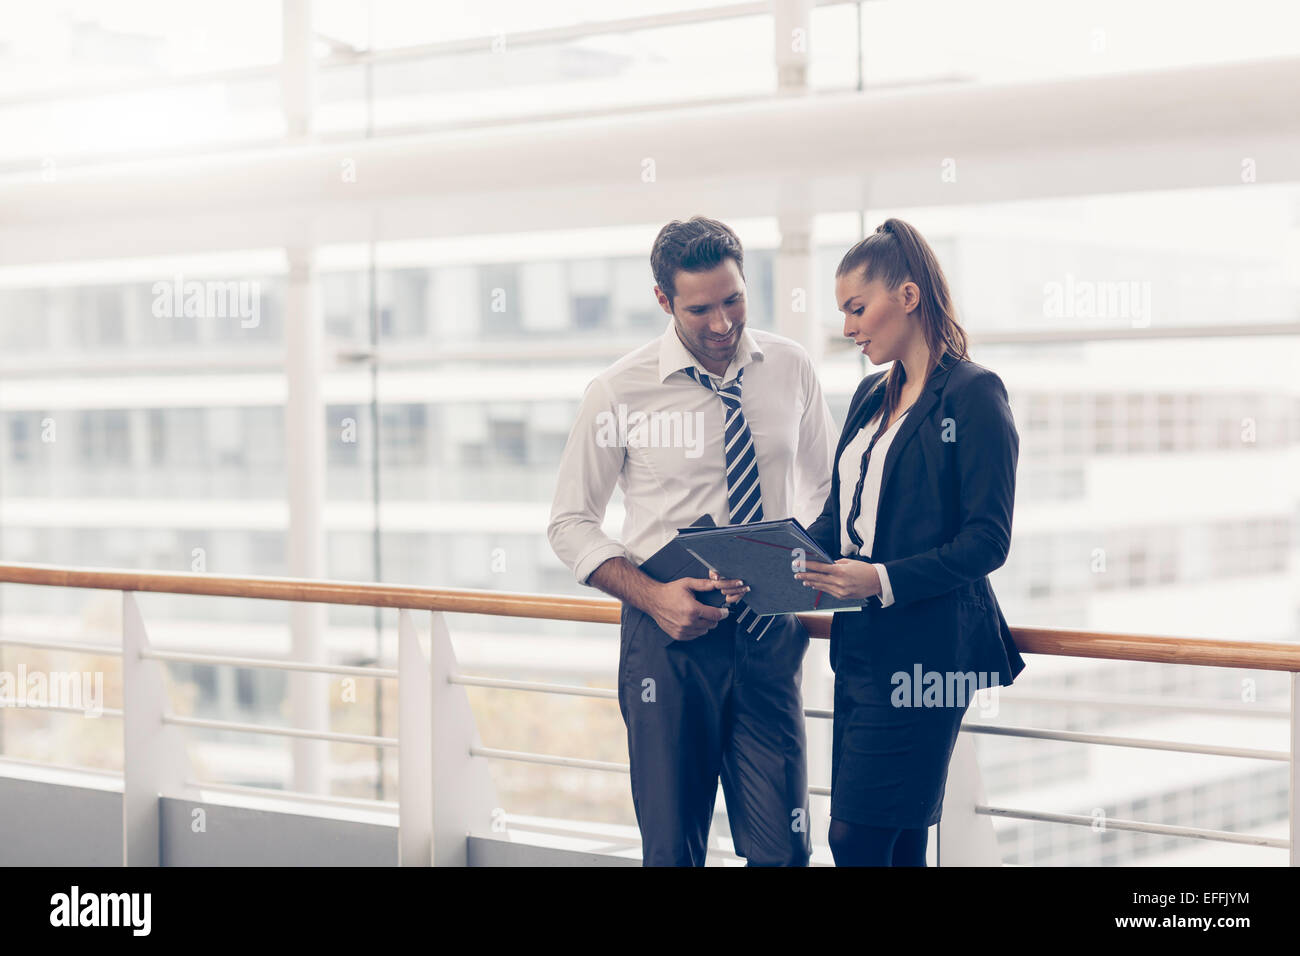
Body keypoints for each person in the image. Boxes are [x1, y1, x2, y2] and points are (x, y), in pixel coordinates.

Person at [547, 216, 836, 866]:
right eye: (699, 308)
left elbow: (827, 490)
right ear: (663, 301)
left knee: (785, 852)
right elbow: (570, 522)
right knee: (673, 852)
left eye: (733, 299)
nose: (721, 323)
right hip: (669, 645)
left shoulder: (790, 367)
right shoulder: (619, 391)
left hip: (769, 638)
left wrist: (801, 572)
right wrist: (652, 596)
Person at [795, 218, 1026, 866]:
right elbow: (839, 520)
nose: (848, 328)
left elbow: (988, 540)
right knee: (895, 843)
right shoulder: (871, 395)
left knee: (855, 838)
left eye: (856, 307)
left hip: (929, 656)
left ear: (908, 295)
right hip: (862, 650)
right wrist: (772, 557)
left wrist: (881, 579)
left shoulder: (974, 395)